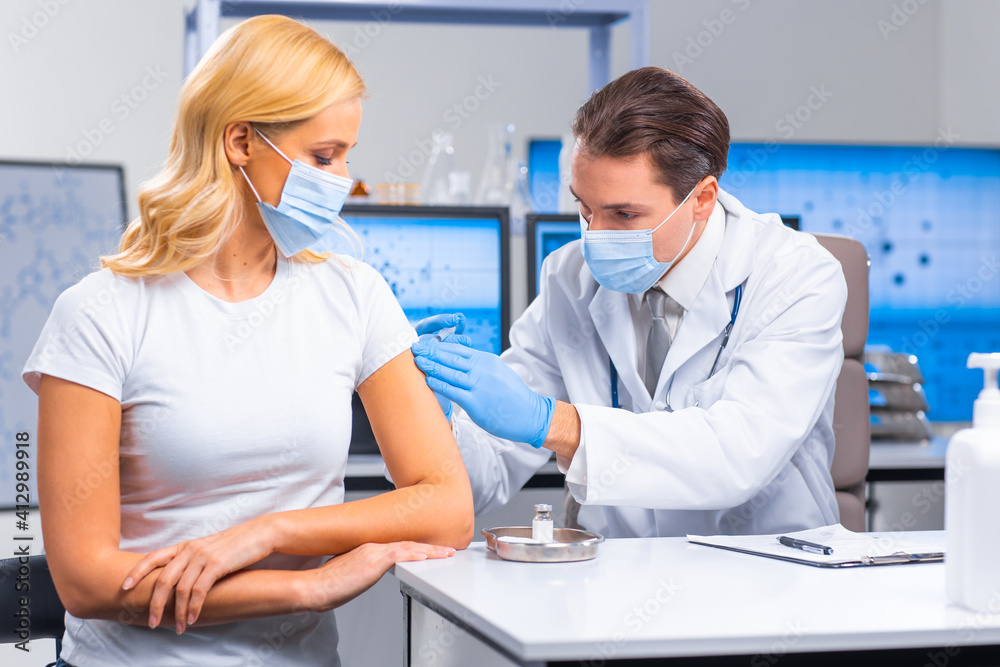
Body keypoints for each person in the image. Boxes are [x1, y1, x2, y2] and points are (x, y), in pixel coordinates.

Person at [21, 16, 472, 667]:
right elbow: (86, 582)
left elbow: (447, 506)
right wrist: (305, 587)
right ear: (240, 141)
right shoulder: (101, 314)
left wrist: (269, 532)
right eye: (324, 157)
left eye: (347, 155)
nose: (343, 180)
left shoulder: (353, 294)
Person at [412, 67, 848, 538]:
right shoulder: (569, 278)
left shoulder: (795, 274)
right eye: (584, 208)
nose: (594, 237)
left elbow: (738, 454)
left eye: (623, 213)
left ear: (702, 199)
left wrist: (553, 422)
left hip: (765, 569)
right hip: (617, 568)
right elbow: (484, 475)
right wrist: (430, 417)